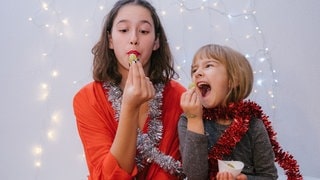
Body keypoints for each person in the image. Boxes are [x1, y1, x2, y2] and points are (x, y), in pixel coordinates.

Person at [73, 0, 186, 179]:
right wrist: (129, 108)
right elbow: (107, 177)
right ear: (110, 40)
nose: (133, 38)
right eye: (124, 30)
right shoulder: (88, 98)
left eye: (144, 31)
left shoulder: (179, 96)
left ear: (156, 42)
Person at [178, 44, 302, 180]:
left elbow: (269, 176)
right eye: (194, 69)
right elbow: (195, 176)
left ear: (233, 80)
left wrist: (245, 179)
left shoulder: (253, 124)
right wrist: (195, 120)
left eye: (208, 66)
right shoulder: (188, 120)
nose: (197, 73)